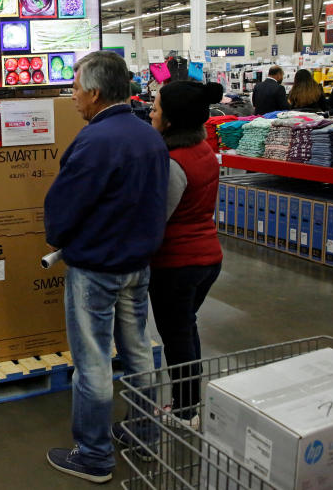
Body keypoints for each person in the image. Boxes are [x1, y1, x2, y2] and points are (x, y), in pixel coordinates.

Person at [44, 51, 170, 483]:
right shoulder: (149, 135)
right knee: (138, 351)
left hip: (96, 268)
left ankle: (94, 456)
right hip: (139, 265)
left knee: (93, 362)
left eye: (75, 88)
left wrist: (58, 237)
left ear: (95, 93)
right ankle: (144, 432)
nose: (73, 97)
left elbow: (63, 209)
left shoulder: (94, 142)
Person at [148, 80, 225, 431]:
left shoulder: (173, 163)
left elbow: (155, 218)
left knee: (177, 339)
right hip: (207, 257)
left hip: (177, 264)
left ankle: (184, 412)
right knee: (185, 331)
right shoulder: (203, 150)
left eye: (156, 108)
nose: (151, 112)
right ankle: (190, 405)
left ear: (172, 119)